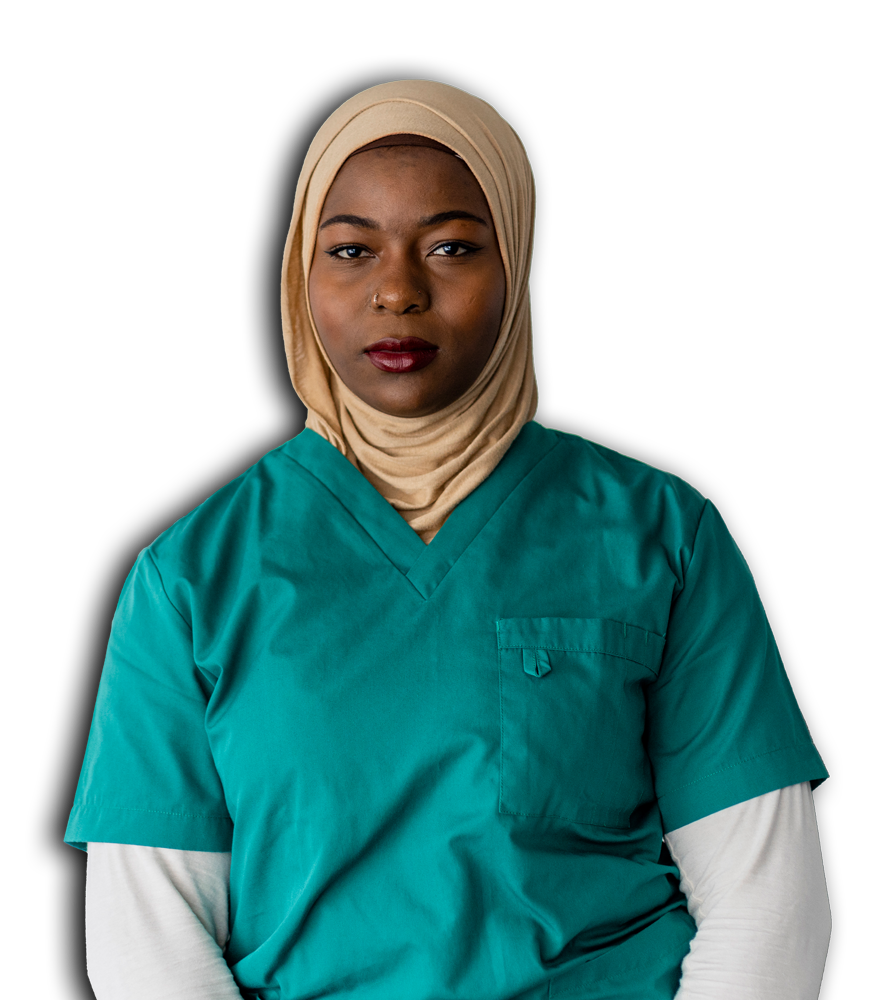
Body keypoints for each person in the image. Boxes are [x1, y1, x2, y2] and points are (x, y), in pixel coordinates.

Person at [65, 79, 832, 999]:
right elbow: (148, 941)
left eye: (452, 247)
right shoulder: (189, 576)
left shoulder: (664, 535)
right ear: (296, 275)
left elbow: (768, 909)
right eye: (350, 249)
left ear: (517, 261)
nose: (398, 290)